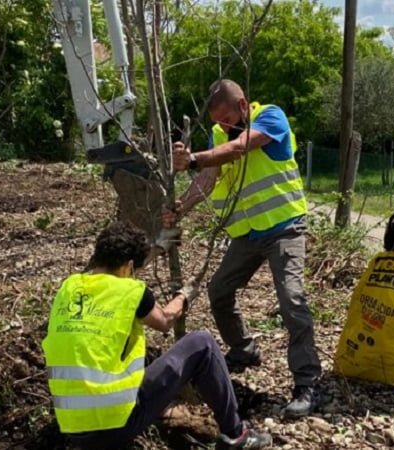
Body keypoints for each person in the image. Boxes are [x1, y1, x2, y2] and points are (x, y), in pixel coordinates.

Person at [162, 79, 322, 418]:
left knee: (292, 299)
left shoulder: (270, 117)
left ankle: (307, 382)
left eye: (227, 118)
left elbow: (241, 147)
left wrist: (191, 158)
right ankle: (244, 349)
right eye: (217, 120)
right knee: (219, 290)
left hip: (284, 227)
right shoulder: (219, 136)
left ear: (243, 104)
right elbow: (208, 177)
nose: (223, 126)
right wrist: (180, 208)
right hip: (247, 233)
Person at [41, 222, 272, 449]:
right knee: (203, 343)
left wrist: (159, 246)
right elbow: (164, 321)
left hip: (73, 427)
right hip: (115, 423)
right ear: (129, 266)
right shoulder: (131, 292)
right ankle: (236, 434)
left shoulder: (68, 288)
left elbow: (114, 270)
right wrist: (184, 296)